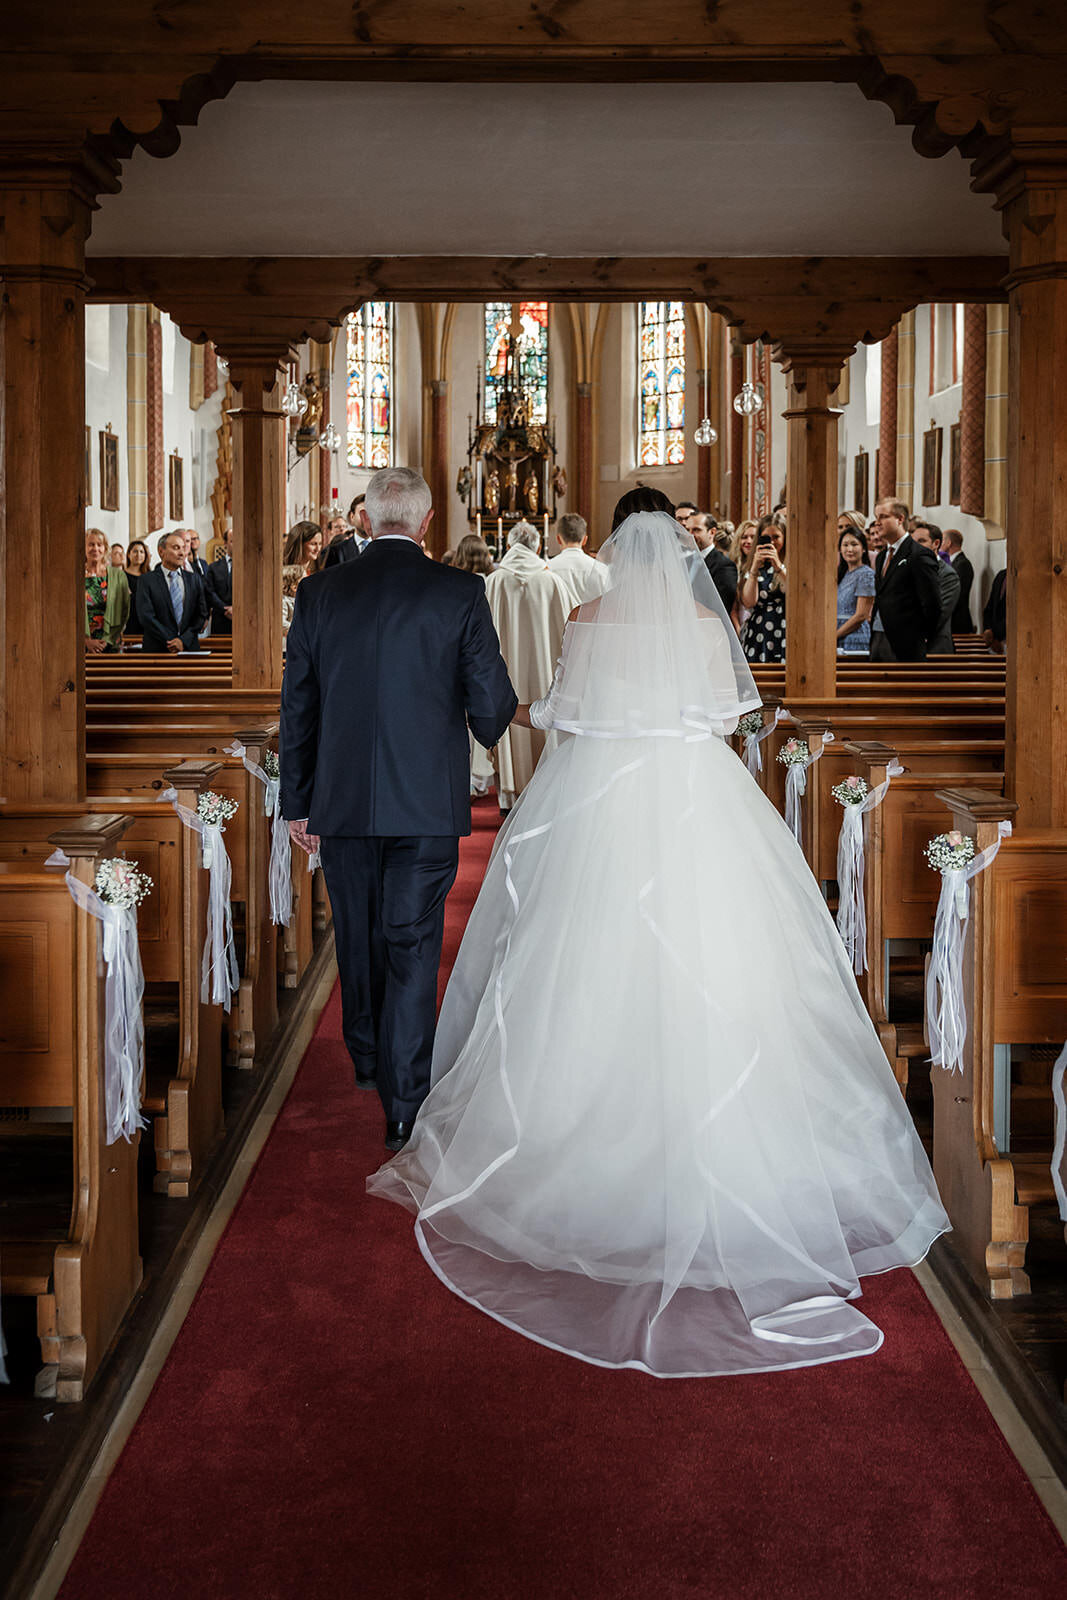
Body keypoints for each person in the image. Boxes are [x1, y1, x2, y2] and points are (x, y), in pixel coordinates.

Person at [368, 505, 948, 1378]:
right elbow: (723, 723)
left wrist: (536, 713)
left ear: (609, 557)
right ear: (678, 559)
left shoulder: (585, 619)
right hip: (695, 803)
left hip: (598, 803)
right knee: (725, 963)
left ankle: (581, 1150)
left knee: (581, 969)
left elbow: (564, 715)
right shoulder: (703, 628)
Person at [279, 467, 516, 1154]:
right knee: (411, 943)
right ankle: (404, 1101)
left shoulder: (320, 592)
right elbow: (492, 709)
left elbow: (298, 706)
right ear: (426, 519)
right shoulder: (459, 591)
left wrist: (298, 801)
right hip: (425, 804)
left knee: (356, 933)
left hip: (341, 799)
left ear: (365, 517)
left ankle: (365, 1055)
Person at [485, 521, 572, 811]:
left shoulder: (493, 582)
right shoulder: (553, 581)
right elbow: (570, 632)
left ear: (508, 547)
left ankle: (508, 798)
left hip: (503, 675)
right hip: (546, 674)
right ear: (538, 547)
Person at [869, 499, 942, 662]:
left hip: (906, 641)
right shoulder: (882, 556)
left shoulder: (918, 554)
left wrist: (921, 636)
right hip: (878, 635)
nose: (877, 523)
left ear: (900, 519)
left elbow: (932, 602)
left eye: (883, 517)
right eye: (876, 517)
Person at [137, 528, 210, 653]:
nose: (182, 553)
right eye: (176, 548)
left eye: (183, 548)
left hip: (188, 648)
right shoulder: (147, 580)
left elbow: (201, 615)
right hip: (157, 650)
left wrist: (183, 641)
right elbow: (146, 617)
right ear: (161, 551)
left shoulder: (194, 579)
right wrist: (172, 640)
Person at [738, 513, 786, 662]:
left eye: (776, 537)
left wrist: (778, 566)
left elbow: (797, 595)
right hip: (759, 630)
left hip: (785, 628)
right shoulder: (753, 565)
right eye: (766, 537)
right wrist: (754, 568)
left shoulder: (791, 563)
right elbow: (748, 602)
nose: (771, 542)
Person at [910, 520, 959, 655]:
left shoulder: (947, 574)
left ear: (936, 544)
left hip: (935, 645)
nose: (915, 546)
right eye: (913, 542)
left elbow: (939, 613)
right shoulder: (908, 568)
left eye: (921, 541)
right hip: (908, 644)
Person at [547, 513, 610, 606]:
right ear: (585, 540)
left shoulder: (548, 568)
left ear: (558, 539)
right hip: (590, 620)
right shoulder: (601, 570)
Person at [85, 528, 130, 653]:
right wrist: (86, 640)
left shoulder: (118, 576)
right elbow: (68, 612)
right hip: (80, 642)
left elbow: (124, 611)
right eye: (91, 544)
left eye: (99, 545)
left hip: (111, 642)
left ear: (105, 549)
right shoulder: (75, 576)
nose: (95, 548)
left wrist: (107, 640)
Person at [836, 524, 876, 654]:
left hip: (855, 636)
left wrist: (834, 635)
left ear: (864, 548)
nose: (849, 549)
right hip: (840, 633)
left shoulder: (866, 574)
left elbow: (861, 615)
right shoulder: (844, 574)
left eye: (854, 544)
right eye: (845, 545)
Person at [690, 510, 738, 614]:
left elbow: (723, 606)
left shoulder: (724, 565)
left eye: (696, 530)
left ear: (712, 532)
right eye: (687, 530)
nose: (690, 535)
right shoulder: (684, 560)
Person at [322, 495, 369, 567]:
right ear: (352, 516)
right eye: (362, 513)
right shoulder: (337, 550)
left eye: (370, 513)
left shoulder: (384, 548)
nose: (367, 518)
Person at [943, 528, 975, 633]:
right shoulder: (953, 562)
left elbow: (957, 595)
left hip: (958, 623)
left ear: (948, 543)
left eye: (942, 540)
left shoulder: (962, 564)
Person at [205, 525, 233, 634]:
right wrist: (225, 608)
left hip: (244, 619)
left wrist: (237, 609)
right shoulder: (214, 567)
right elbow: (210, 592)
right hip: (221, 619)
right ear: (225, 543)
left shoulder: (248, 566)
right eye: (232, 541)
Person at [124, 538, 151, 629]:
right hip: (129, 621)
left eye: (141, 552)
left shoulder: (149, 576)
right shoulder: (122, 576)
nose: (138, 555)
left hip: (147, 622)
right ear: (128, 554)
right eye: (135, 551)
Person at [981, 566, 1007, 654]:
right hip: (993, 643)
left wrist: (994, 633)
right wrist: (987, 630)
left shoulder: (1024, 577)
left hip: (1010, 639)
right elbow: (989, 609)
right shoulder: (1001, 575)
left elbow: (1018, 616)